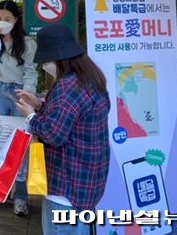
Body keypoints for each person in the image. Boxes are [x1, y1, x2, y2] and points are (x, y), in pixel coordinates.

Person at [16, 24, 110, 235]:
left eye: (47, 61)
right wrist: (41, 105)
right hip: (87, 184)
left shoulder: (69, 87)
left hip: (66, 188)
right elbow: (71, 117)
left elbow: (54, 134)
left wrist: (30, 115)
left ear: (59, 59)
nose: (45, 66)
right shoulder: (91, 78)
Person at [0, 0, 38, 216]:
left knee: (22, 144)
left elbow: (31, 71)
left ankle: (20, 196)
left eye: (7, 19)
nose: (2, 23)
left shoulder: (28, 43)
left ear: (16, 20)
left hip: (21, 92)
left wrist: (28, 93)